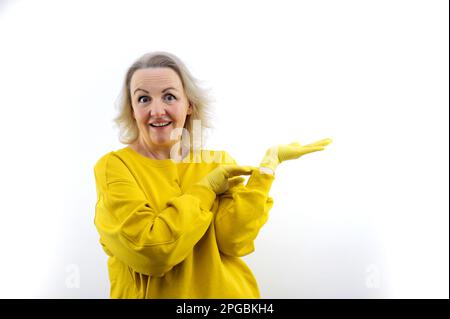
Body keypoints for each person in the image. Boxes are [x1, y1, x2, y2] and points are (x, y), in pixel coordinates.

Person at [93, 51, 332, 298]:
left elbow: (235, 240)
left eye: (169, 97)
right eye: (143, 99)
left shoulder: (218, 162)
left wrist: (267, 168)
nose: (156, 110)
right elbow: (152, 252)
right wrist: (205, 189)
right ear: (132, 110)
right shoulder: (114, 166)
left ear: (189, 106)